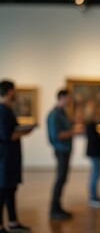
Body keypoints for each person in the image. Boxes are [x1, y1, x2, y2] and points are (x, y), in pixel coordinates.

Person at [0, 80, 32, 233]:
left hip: (10, 158)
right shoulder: (2, 111)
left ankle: (13, 222)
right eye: (14, 90)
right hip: (5, 159)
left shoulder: (7, 110)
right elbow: (6, 135)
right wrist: (25, 131)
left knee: (11, 190)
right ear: (9, 91)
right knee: (3, 192)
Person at [47, 89, 83, 220]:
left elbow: (72, 123)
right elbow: (58, 135)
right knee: (60, 178)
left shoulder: (63, 113)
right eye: (69, 97)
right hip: (61, 150)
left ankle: (57, 206)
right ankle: (54, 209)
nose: (70, 100)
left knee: (62, 178)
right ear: (61, 97)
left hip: (65, 150)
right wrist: (74, 132)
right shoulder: (55, 114)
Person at [85, 108, 100, 209]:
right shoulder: (90, 125)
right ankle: (92, 198)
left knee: (96, 174)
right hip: (94, 153)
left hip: (95, 152)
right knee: (95, 174)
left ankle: (95, 196)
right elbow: (94, 138)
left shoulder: (92, 125)